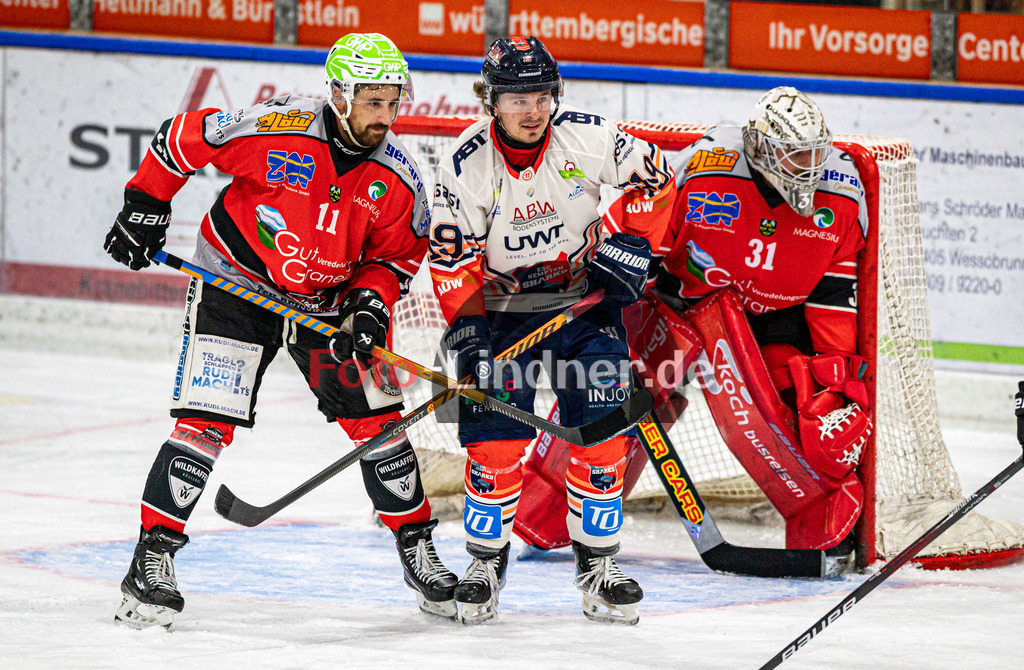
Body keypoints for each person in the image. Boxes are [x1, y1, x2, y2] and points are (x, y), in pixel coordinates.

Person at [104, 32, 458, 629]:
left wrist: (368, 305)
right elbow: (179, 139)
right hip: (235, 285)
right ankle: (152, 559)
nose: (386, 115)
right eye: (373, 100)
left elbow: (394, 257)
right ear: (340, 96)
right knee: (205, 423)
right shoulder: (278, 126)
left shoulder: (398, 178)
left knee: (380, 425)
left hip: (326, 305)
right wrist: (145, 205)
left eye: (394, 100)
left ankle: (417, 550)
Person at [514, 86, 872, 570]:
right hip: (675, 304)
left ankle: (823, 520)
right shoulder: (707, 166)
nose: (807, 167)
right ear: (762, 148)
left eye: (813, 154)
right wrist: (620, 276)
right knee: (608, 398)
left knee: (804, 418)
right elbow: (639, 224)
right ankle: (549, 508)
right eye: (793, 156)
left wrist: (838, 381)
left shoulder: (843, 193)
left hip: (771, 322)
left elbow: (834, 291)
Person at [428, 35, 675, 625]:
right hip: (503, 310)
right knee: (495, 440)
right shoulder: (464, 164)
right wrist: (468, 339)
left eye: (541, 95)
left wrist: (635, 245)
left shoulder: (587, 135)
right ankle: (487, 563)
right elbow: (450, 260)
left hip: (585, 302)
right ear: (491, 100)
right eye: (517, 97)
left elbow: (658, 179)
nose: (532, 109)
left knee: (604, 428)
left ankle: (597, 568)